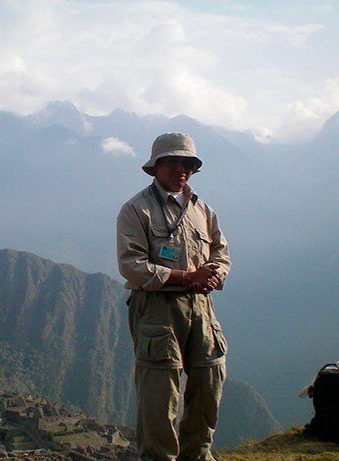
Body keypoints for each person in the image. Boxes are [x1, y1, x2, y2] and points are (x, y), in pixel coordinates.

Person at [116, 132, 231, 461]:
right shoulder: (137, 211)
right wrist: (186, 277)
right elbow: (132, 266)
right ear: (156, 168)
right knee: (159, 398)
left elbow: (221, 253)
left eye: (187, 164)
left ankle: (198, 456)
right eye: (173, 163)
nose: (181, 170)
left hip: (202, 308)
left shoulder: (203, 210)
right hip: (157, 310)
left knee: (208, 385)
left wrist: (213, 276)